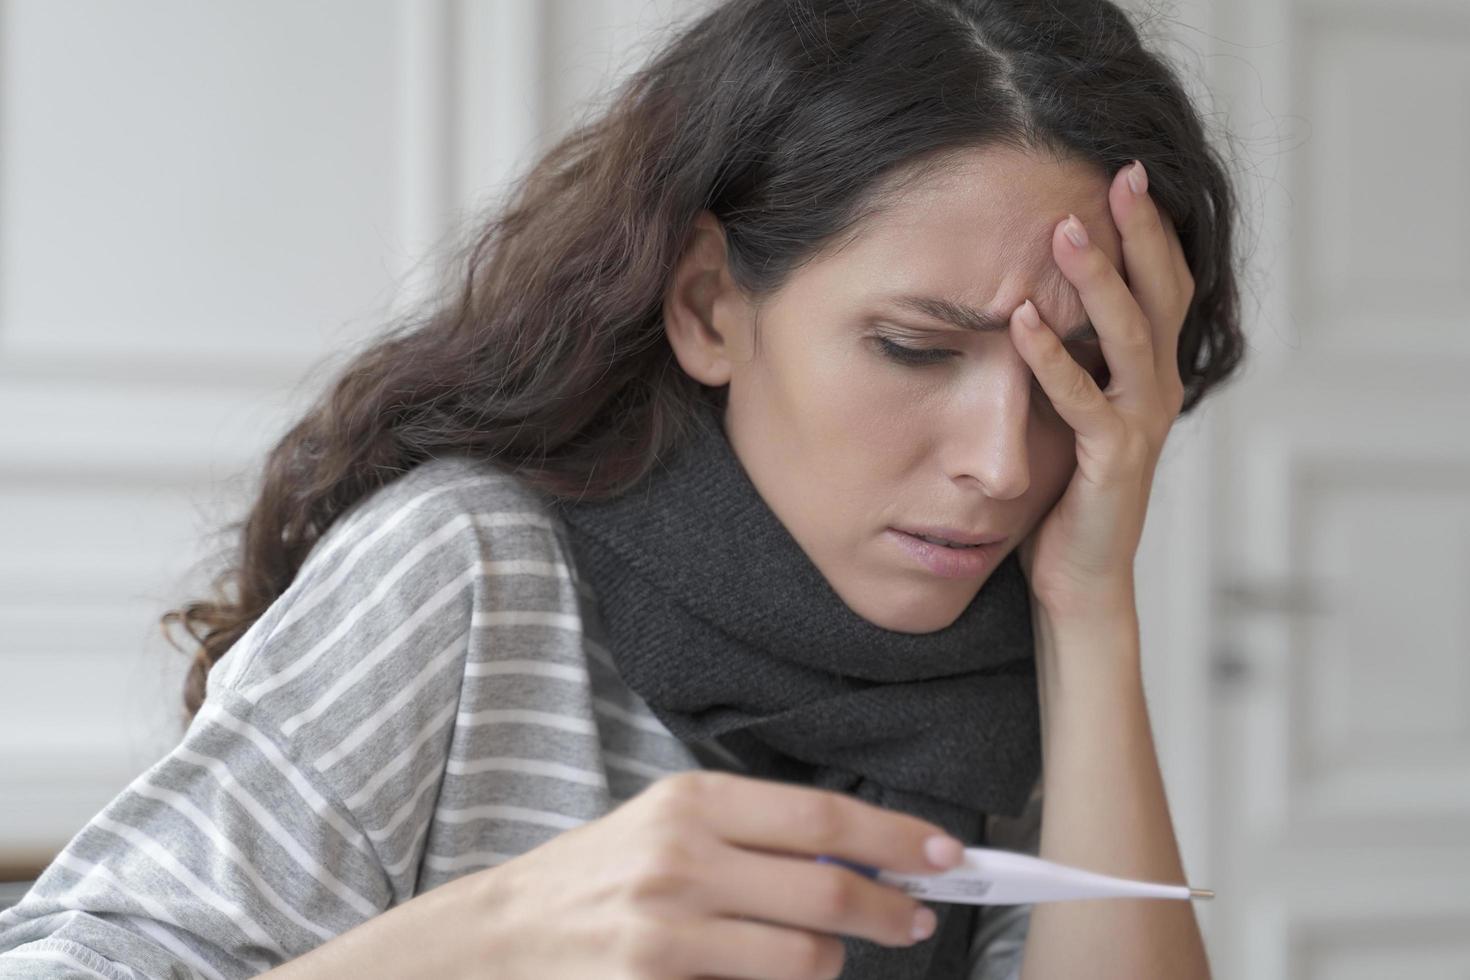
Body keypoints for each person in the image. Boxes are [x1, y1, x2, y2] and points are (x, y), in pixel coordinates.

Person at [0, 0, 1244, 976]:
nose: (1004, 461)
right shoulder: (473, 571)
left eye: (1072, 374)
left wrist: (1091, 609)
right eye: (916, 348)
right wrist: (484, 946)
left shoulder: (1001, 660)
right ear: (709, 306)